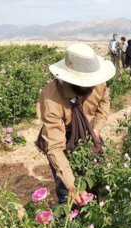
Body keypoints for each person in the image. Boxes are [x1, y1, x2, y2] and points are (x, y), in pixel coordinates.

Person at [36, 43, 115, 205]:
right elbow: (56, 147)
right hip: (61, 139)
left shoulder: (98, 83)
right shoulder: (52, 98)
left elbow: (104, 102)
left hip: (88, 133)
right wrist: (72, 185)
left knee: (92, 177)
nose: (92, 86)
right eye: (86, 83)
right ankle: (71, 222)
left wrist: (97, 129)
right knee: (67, 192)